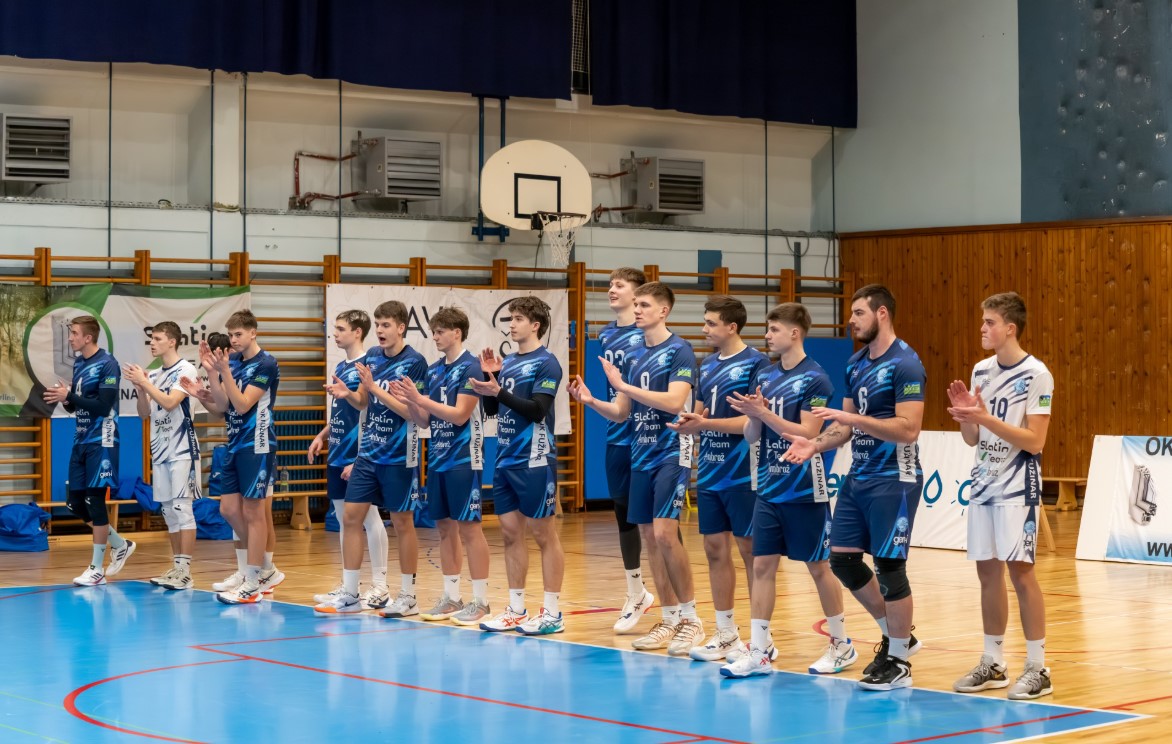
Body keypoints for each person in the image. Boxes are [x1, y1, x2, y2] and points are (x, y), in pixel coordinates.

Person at [783, 284, 925, 691]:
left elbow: (909, 429)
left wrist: (857, 420)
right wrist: (815, 444)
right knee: (842, 560)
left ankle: (898, 660)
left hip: (894, 478)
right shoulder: (856, 363)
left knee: (890, 567)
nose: (851, 320)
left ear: (882, 313)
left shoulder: (905, 363)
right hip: (859, 476)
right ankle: (899, 637)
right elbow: (843, 427)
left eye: (858, 312)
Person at [721, 302, 857, 678]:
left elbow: (809, 433)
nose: (767, 335)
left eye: (774, 329)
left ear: (794, 333)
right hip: (768, 487)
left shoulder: (816, 378)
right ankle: (760, 650)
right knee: (762, 565)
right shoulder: (765, 374)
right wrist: (753, 415)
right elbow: (753, 435)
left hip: (804, 489)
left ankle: (841, 644)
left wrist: (764, 413)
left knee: (818, 567)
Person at [569, 281, 700, 655]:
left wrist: (624, 386)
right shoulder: (633, 355)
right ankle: (669, 618)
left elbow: (674, 401)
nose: (637, 310)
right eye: (636, 304)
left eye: (644, 305)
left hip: (671, 450)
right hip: (640, 452)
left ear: (663, 311)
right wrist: (592, 401)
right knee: (649, 537)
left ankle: (692, 619)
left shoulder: (680, 350)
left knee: (664, 533)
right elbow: (622, 412)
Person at [948, 292, 1054, 700]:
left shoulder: (1037, 375)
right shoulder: (981, 370)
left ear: (1010, 328)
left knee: (1021, 574)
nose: (982, 328)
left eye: (989, 322)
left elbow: (1035, 441)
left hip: (1017, 486)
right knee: (987, 573)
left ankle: (1038, 668)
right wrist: (966, 418)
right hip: (983, 484)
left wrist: (985, 417)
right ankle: (993, 662)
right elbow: (973, 438)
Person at [667, 296, 767, 661]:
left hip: (743, 472)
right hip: (709, 471)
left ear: (732, 327)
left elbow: (753, 422)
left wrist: (705, 422)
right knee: (713, 550)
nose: (704, 328)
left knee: (751, 552)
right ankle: (726, 634)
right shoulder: (706, 364)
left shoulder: (756, 363)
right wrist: (686, 423)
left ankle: (761, 638)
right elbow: (700, 412)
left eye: (711, 323)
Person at [313, 301, 428, 617]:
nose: (379, 330)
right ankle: (351, 593)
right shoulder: (373, 357)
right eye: (377, 324)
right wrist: (349, 394)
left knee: (402, 522)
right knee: (350, 517)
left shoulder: (415, 362)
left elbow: (413, 413)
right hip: (368, 453)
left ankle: (408, 595)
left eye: (386, 325)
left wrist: (375, 389)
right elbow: (364, 402)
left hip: (399, 454)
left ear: (401, 327)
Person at [390, 306, 493, 625]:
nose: (434, 337)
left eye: (440, 332)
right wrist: (410, 400)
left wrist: (420, 400)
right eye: (433, 332)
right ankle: (451, 597)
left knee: (470, 528)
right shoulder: (434, 370)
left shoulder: (471, 366)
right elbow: (424, 420)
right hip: (437, 457)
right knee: (444, 528)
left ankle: (481, 601)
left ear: (456, 333)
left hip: (464, 459)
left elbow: (461, 415)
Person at [471, 297, 566, 635]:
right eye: (510, 318)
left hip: (535, 459)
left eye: (518, 319)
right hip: (506, 459)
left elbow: (538, 410)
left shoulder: (547, 363)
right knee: (511, 534)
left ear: (535, 325)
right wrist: (492, 380)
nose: (511, 324)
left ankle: (552, 612)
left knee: (543, 534)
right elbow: (493, 411)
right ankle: (516, 609)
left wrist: (499, 390)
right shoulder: (509, 361)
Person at [195, 310, 284, 605]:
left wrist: (225, 373)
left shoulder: (266, 363)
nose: (233, 340)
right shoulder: (232, 362)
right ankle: (263, 569)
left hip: (257, 443)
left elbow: (244, 404)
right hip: (235, 443)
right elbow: (223, 407)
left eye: (238, 334)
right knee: (228, 510)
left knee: (254, 513)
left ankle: (253, 579)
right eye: (230, 334)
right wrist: (211, 374)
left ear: (253, 333)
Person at [308, 310, 391, 610]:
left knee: (370, 518)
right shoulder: (342, 366)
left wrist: (359, 458)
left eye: (341, 328)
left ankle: (380, 585)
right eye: (335, 328)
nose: (335, 333)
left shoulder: (369, 364)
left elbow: (370, 412)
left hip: (359, 456)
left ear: (357, 332)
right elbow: (342, 413)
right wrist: (323, 435)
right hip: (337, 452)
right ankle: (349, 585)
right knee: (345, 520)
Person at [44, 315, 134, 586]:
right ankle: (120, 544)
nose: (70, 338)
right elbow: (77, 406)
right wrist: (66, 399)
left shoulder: (108, 364)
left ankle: (96, 569)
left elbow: (104, 407)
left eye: (74, 333)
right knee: (75, 502)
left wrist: (70, 396)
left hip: (102, 439)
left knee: (95, 500)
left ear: (88, 337)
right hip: (81, 438)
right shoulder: (80, 363)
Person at [594, 267, 655, 633]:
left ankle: (681, 607)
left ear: (638, 294)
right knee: (623, 515)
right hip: (617, 433)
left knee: (659, 523)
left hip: (648, 438)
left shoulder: (647, 333)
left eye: (620, 285)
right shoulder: (605, 335)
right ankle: (636, 593)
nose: (611, 289)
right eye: (610, 284)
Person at [125, 321, 201, 590]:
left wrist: (145, 382)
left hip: (182, 449)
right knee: (168, 511)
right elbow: (144, 413)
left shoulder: (186, 369)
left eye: (157, 338)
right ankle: (177, 567)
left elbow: (170, 403)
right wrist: (141, 388)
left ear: (172, 341)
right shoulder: (156, 374)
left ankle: (186, 572)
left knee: (182, 509)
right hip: (160, 449)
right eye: (151, 339)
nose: (152, 343)